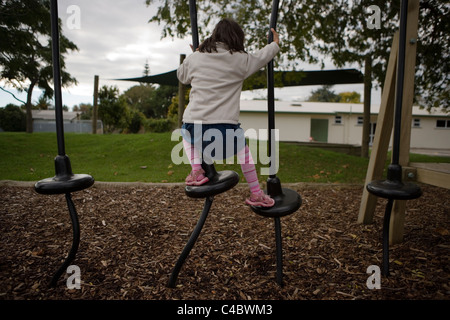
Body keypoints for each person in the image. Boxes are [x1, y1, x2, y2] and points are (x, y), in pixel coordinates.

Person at [178, 18, 280, 208]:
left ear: (214, 35)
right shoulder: (241, 59)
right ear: (237, 39)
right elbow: (262, 57)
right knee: (244, 153)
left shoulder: (197, 57)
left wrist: (195, 54)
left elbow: (182, 76)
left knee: (184, 133)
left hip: (194, 128)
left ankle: (196, 170)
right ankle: (256, 193)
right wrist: (274, 45)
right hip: (225, 132)